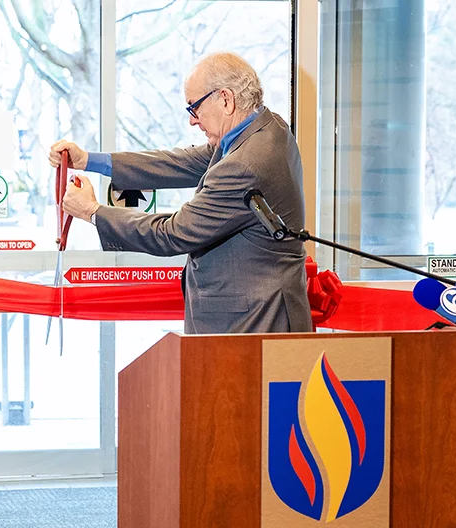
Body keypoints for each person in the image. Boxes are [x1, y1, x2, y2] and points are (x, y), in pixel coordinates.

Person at [50, 52, 312, 335]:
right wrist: (88, 160)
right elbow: (180, 163)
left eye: (194, 108)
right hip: (258, 313)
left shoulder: (245, 165)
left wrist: (92, 211)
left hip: (253, 323)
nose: (192, 121)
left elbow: (172, 234)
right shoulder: (265, 128)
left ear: (225, 99)